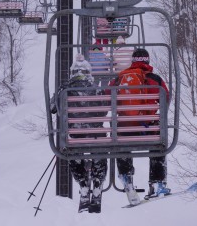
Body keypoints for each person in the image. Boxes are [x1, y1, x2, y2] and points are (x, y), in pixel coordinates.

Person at [109, 48, 170, 205]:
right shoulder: (155, 79)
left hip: (125, 130)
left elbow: (107, 97)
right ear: (147, 61)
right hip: (148, 131)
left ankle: (127, 179)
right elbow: (166, 98)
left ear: (133, 60)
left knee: (120, 136)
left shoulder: (119, 79)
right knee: (159, 139)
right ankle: (157, 183)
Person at [50, 55, 108, 213]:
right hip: (96, 136)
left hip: (75, 136)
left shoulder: (64, 89)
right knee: (100, 152)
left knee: (73, 154)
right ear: (89, 72)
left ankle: (83, 184)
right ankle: (97, 184)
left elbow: (52, 108)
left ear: (72, 72)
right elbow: (105, 108)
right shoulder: (96, 88)